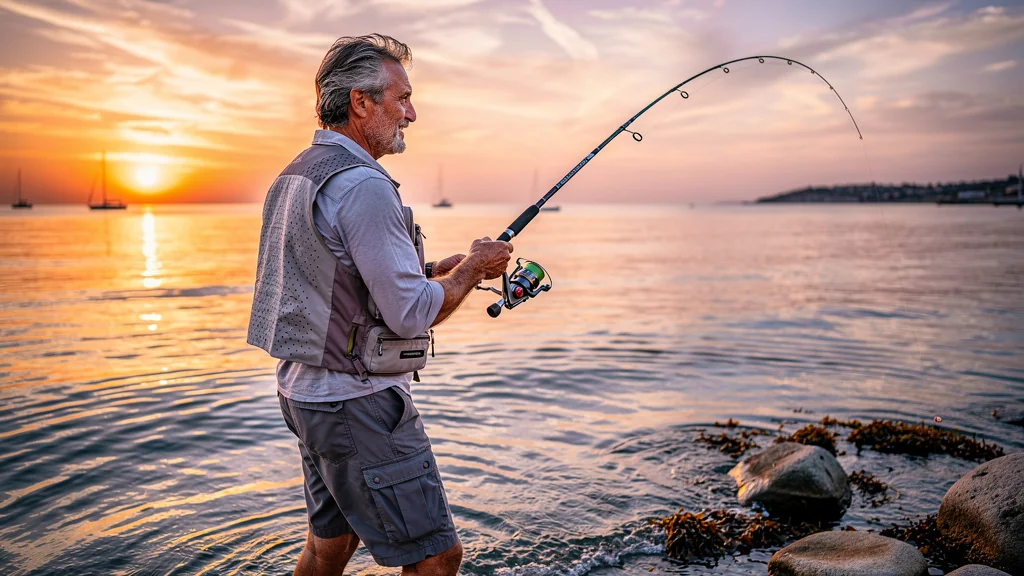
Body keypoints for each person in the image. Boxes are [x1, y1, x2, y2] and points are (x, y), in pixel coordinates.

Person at [247, 34, 512, 575]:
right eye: (402, 98)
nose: (411, 113)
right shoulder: (363, 185)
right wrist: (473, 270)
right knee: (436, 559)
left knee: (330, 546)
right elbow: (411, 313)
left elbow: (335, 275)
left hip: (305, 395)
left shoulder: (296, 174)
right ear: (360, 103)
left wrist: (438, 269)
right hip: (356, 404)